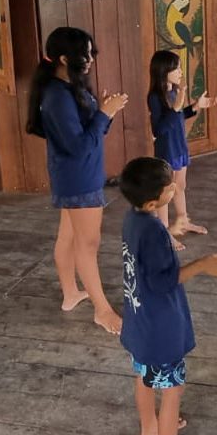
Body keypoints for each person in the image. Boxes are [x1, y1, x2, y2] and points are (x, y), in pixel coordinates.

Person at [118, 156, 217, 435]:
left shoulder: (133, 218)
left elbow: (148, 261)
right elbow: (162, 281)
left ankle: (148, 430)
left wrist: (169, 230)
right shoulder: (151, 228)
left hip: (139, 325)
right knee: (172, 390)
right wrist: (202, 264)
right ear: (155, 201)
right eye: (170, 187)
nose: (175, 187)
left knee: (143, 375)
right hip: (160, 331)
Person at [26, 26, 127, 335]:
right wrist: (104, 115)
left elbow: (92, 137)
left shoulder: (70, 87)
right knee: (88, 243)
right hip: (78, 179)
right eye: (85, 55)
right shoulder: (56, 95)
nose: (90, 61)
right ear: (62, 58)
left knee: (69, 236)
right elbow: (80, 146)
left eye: (91, 53)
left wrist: (104, 113)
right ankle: (102, 310)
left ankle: (71, 294)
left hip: (79, 175)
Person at [148, 50, 216, 243]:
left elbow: (177, 117)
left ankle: (183, 221)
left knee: (180, 186)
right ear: (163, 71)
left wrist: (195, 106)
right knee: (166, 191)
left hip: (180, 147)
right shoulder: (155, 96)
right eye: (175, 68)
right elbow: (159, 128)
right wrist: (177, 105)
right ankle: (165, 232)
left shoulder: (173, 93)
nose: (180, 72)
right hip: (167, 150)